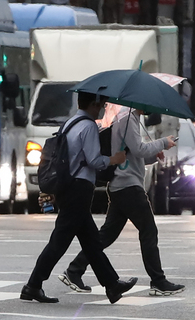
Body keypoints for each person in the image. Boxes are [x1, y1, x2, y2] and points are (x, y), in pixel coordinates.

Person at [20, 92, 137, 304]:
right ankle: (33, 285)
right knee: (59, 242)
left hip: (68, 187)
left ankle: (112, 285)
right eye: (101, 104)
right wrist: (115, 159)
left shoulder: (70, 123)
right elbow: (94, 160)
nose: (103, 108)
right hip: (79, 189)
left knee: (91, 241)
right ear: (93, 103)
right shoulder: (89, 126)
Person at [60, 107, 185, 296]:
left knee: (105, 236)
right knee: (148, 230)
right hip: (128, 186)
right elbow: (138, 148)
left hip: (122, 184)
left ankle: (74, 270)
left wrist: (153, 155)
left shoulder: (129, 118)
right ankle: (158, 281)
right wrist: (162, 143)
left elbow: (131, 154)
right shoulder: (127, 119)